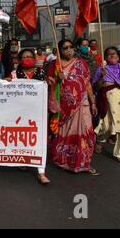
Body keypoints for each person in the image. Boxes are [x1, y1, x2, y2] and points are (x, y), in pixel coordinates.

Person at [48, 40, 99, 175]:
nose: (69, 50)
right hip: (64, 108)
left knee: (86, 132)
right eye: (65, 48)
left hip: (82, 104)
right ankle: (63, 161)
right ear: (59, 50)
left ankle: (84, 163)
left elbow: (87, 84)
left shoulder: (81, 63)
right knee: (65, 134)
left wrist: (93, 102)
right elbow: (48, 84)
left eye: (71, 47)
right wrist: (56, 78)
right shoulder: (55, 65)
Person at [10, 49, 50, 184]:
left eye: (29, 56)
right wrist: (7, 83)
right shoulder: (15, 74)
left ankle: (41, 172)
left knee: (40, 139)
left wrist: (53, 82)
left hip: (38, 111)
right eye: (24, 57)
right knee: (22, 137)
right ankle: (23, 158)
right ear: (20, 60)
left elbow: (48, 90)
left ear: (34, 58)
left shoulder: (42, 73)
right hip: (20, 112)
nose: (27, 59)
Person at [93, 47, 120, 164]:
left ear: (118, 56)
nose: (113, 56)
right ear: (105, 58)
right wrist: (102, 76)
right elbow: (96, 88)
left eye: (115, 54)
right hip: (108, 101)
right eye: (109, 55)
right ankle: (100, 140)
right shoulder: (101, 70)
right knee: (107, 126)